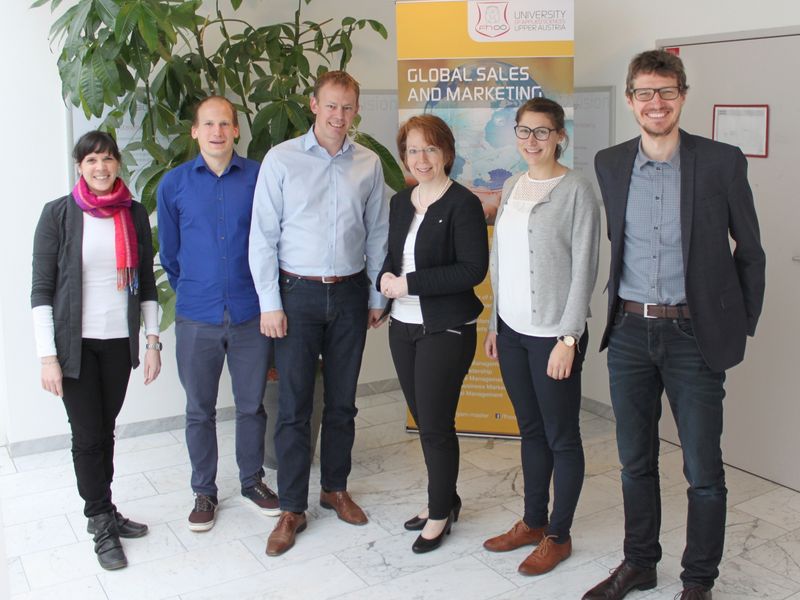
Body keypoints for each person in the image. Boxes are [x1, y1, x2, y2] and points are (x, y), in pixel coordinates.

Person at [583, 50, 766, 600]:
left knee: (703, 472)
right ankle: (639, 564)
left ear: (683, 95)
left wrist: (739, 326)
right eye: (644, 92)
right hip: (631, 334)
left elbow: (750, 252)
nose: (655, 103)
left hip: (694, 337)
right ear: (630, 98)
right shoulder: (610, 163)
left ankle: (698, 581)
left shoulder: (721, 162)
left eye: (666, 92)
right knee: (635, 463)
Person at [249, 70, 389, 556]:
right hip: (296, 295)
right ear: (314, 105)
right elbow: (263, 235)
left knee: (344, 402)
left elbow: (377, 234)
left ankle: (334, 488)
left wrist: (376, 296)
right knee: (292, 407)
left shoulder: (368, 164)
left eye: (348, 108)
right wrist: (270, 303)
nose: (339, 116)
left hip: (350, 294)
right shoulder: (281, 159)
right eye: (331, 106)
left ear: (356, 110)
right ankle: (292, 507)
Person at [481, 98, 600, 575]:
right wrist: (494, 324)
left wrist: (568, 339)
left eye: (542, 132)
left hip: (555, 336)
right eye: (524, 131)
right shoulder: (511, 185)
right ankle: (533, 520)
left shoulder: (576, 190)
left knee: (562, 436)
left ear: (560, 136)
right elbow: (501, 262)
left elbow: (584, 268)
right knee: (530, 430)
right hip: (512, 331)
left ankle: (558, 534)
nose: (532, 141)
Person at [31, 131, 160, 570]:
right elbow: (41, 291)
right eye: (91, 161)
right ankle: (99, 521)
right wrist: (48, 357)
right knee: (87, 436)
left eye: (107, 159)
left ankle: (105, 507)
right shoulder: (59, 215)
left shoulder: (133, 213)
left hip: (117, 344)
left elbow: (145, 283)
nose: (100, 167)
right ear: (79, 167)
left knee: (105, 429)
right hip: (74, 348)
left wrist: (152, 340)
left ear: (118, 163)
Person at [157, 96, 278, 533]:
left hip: (250, 314)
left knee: (251, 406)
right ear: (195, 131)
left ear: (236, 131)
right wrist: (197, 285)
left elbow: (272, 239)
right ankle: (204, 490)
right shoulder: (172, 185)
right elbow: (170, 255)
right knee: (199, 410)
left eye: (225, 124)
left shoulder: (259, 177)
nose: (217, 132)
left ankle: (252, 481)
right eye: (208, 124)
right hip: (197, 315)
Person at [378, 115, 488, 554]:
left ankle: (440, 513)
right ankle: (444, 498)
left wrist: (409, 285)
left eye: (429, 149)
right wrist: (385, 284)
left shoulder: (462, 204)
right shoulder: (401, 202)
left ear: (446, 152)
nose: (420, 159)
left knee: (436, 426)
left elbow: (471, 270)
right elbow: (392, 256)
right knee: (426, 422)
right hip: (402, 327)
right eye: (412, 150)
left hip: (445, 329)